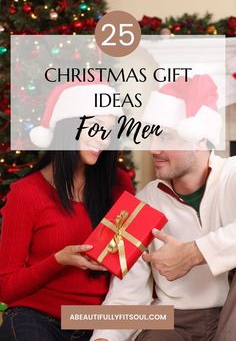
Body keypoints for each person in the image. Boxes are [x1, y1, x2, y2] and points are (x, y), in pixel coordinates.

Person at [91, 75, 236, 341]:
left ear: (199, 139)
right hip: (171, 322)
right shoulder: (139, 203)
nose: (153, 149)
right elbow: (126, 294)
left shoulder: (233, 175)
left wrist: (195, 252)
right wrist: (104, 337)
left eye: (165, 136)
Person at [0, 81, 134, 341]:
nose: (102, 139)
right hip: (37, 317)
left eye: (107, 131)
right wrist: (58, 260)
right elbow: (5, 288)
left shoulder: (118, 184)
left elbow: (128, 266)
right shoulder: (26, 193)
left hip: (99, 321)